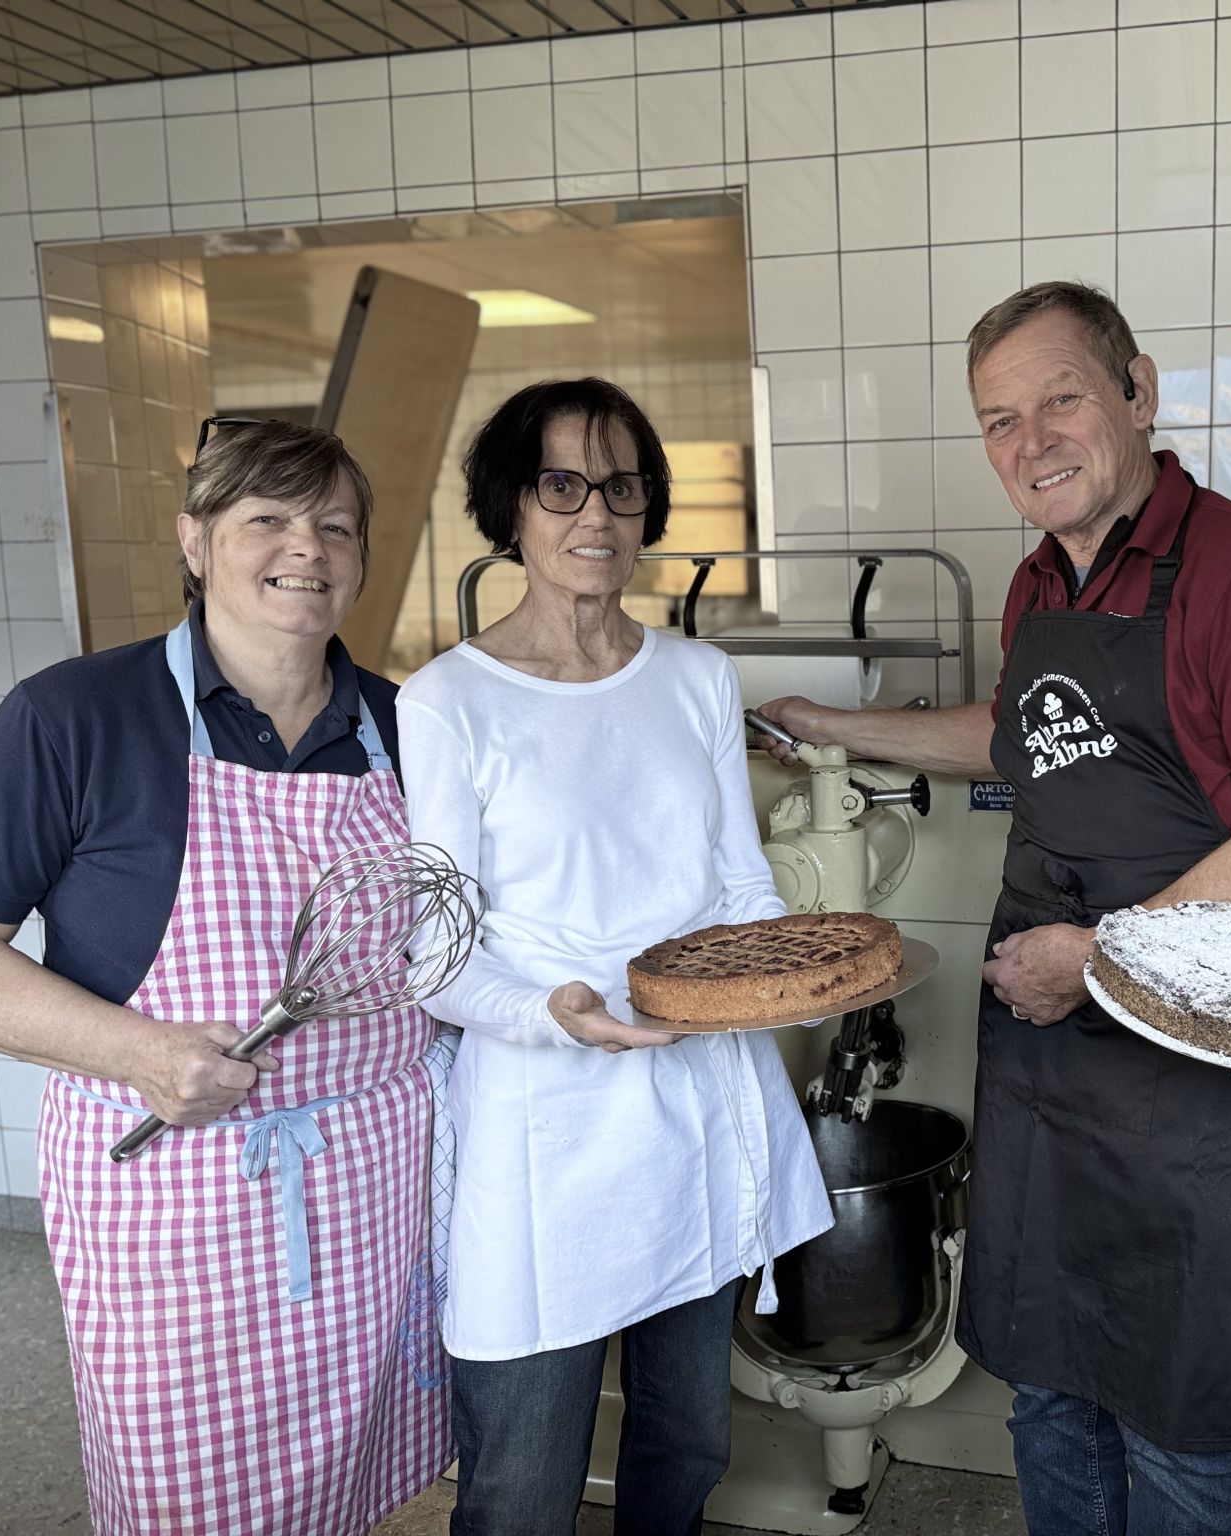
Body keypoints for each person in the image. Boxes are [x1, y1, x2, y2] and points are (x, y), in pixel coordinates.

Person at [758, 281, 1231, 1535]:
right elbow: (1011, 735)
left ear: (1136, 391)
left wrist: (1099, 963)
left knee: (1179, 1413)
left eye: (1060, 400)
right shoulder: (1039, 578)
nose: (1028, 442)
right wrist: (824, 726)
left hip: (1191, 1059)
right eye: (995, 421)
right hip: (1046, 1051)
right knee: (1048, 1386)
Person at [0, 420, 451, 1534]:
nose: (309, 547)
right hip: (175, 1207)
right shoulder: (73, 718)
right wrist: (140, 1052)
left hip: (378, 1195)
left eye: (336, 525)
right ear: (196, 541)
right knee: (186, 1493)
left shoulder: (412, 726)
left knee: (370, 1477)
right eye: (269, 519)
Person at [397, 377, 832, 1536]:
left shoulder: (694, 677)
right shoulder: (448, 702)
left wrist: (778, 979)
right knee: (524, 1487)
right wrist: (558, 1012)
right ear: (512, 509)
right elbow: (434, 960)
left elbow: (739, 887)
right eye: (561, 484)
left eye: (622, 485)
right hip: (546, 1120)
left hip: (691, 1104)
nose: (596, 514)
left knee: (686, 1446)